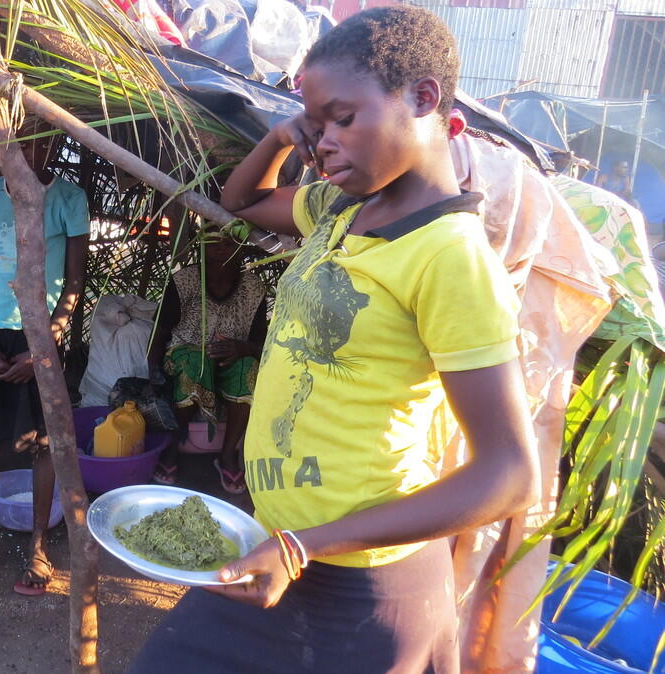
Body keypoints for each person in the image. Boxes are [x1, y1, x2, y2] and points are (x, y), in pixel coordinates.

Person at [129, 7, 538, 672]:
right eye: (315, 126)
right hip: (276, 545)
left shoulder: (450, 258)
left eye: (341, 118)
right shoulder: (340, 209)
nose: (323, 143)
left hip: (364, 589)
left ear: (423, 98)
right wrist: (281, 137)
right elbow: (240, 202)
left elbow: (509, 476)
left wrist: (303, 545)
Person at [0, 128, 89, 596]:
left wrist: (45, 345)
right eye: (23, 141)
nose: (33, 150)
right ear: (4, 145)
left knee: (44, 441)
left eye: (43, 140)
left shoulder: (68, 199)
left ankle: (38, 546)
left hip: (43, 335)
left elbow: (74, 282)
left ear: (55, 144)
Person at [147, 235, 269, 494]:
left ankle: (227, 456)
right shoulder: (184, 282)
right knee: (196, 362)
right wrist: (153, 376)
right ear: (201, 245)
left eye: (229, 241)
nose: (221, 247)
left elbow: (263, 345)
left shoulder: (253, 288)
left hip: (230, 359)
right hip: (184, 355)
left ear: (241, 246)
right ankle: (172, 448)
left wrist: (242, 348)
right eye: (213, 240)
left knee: (249, 367)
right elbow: (159, 334)